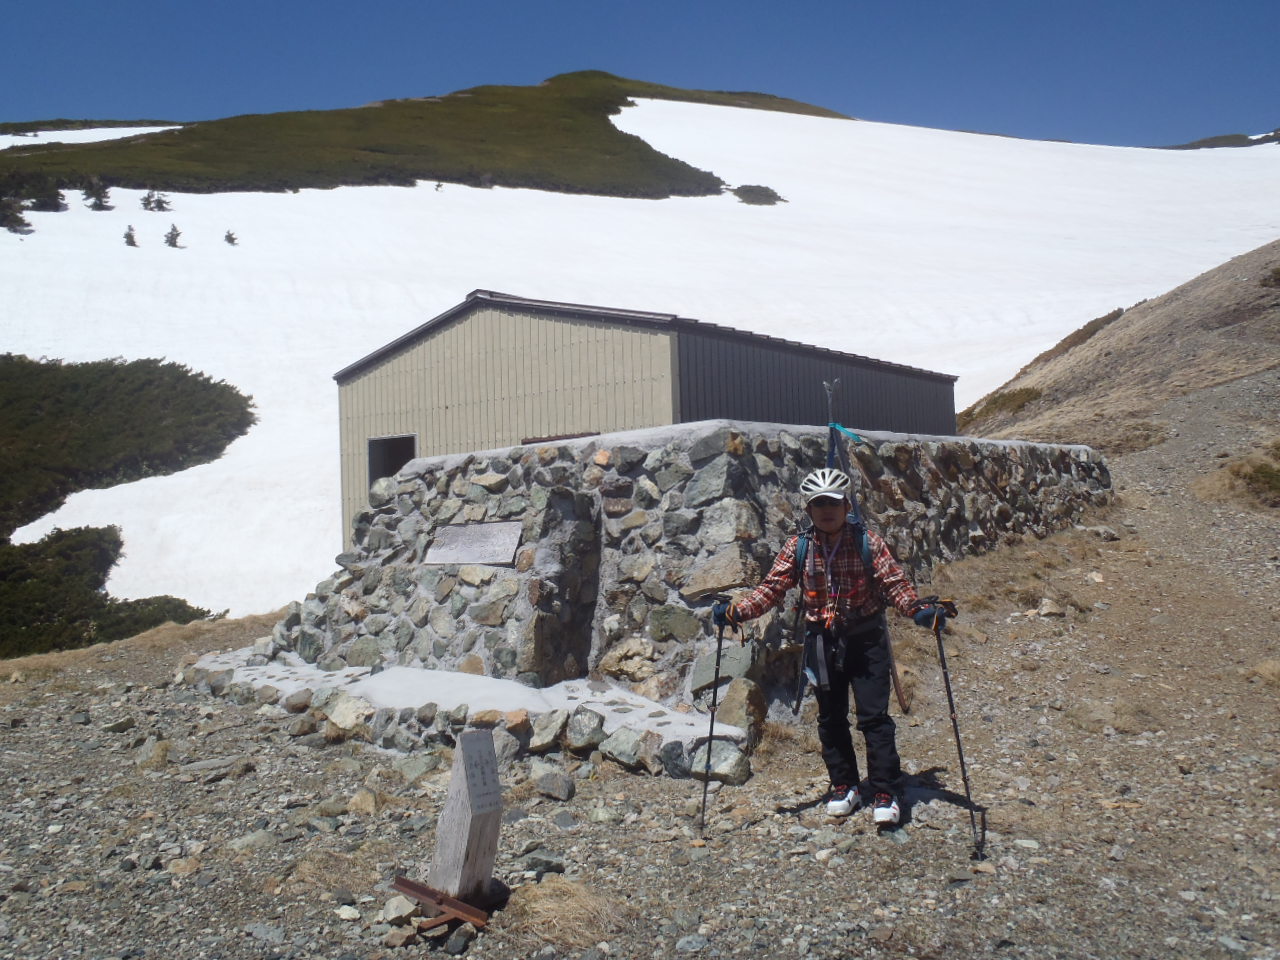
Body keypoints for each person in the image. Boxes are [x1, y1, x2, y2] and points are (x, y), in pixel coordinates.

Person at [712, 467, 954, 825]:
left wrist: (918, 611)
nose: (827, 510)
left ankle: (886, 791)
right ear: (809, 509)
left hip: (866, 640)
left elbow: (894, 584)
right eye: (818, 503)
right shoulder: (799, 547)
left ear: (847, 505)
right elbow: (771, 590)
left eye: (834, 503)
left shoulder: (866, 541)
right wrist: (737, 611)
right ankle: (844, 785)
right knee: (830, 719)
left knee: (874, 719)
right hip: (821, 643)